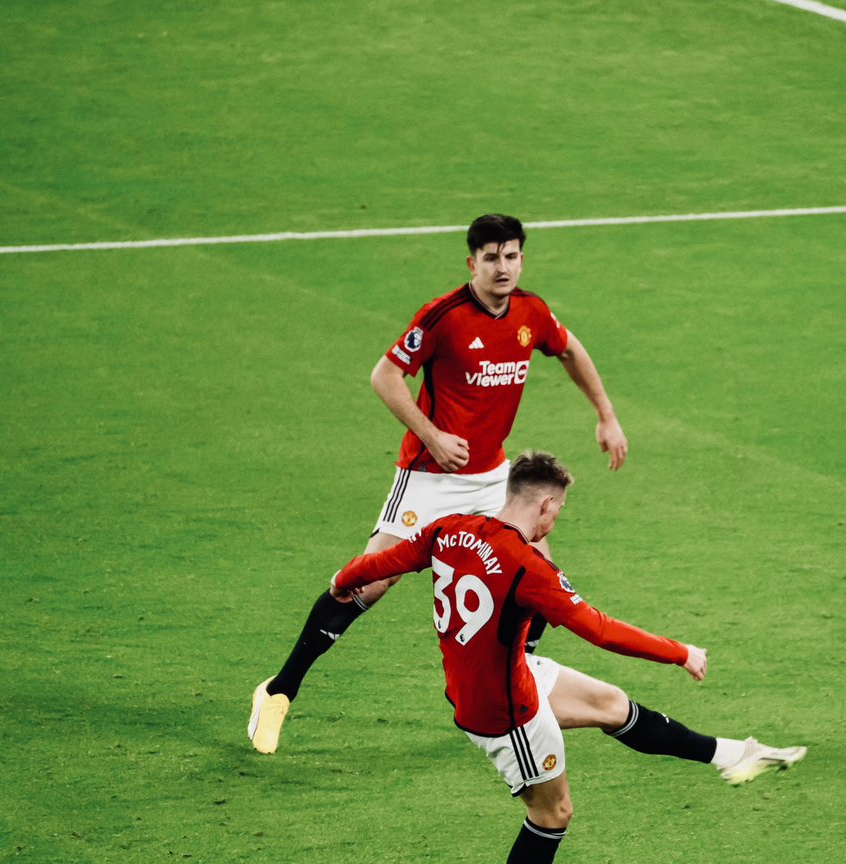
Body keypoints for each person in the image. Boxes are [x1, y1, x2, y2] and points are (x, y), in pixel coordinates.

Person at [328, 451, 804, 864]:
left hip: (502, 675)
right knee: (553, 812)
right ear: (546, 504)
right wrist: (680, 652)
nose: (557, 521)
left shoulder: (449, 528)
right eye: (559, 512)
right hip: (504, 711)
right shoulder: (526, 566)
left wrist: (341, 581)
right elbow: (599, 629)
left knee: (610, 704)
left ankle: (735, 755)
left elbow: (384, 562)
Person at [250, 212, 630, 754]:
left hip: (494, 479)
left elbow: (569, 348)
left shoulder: (531, 312)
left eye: (513, 255)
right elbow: (385, 375)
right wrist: (431, 436)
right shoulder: (445, 317)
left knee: (541, 582)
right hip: (431, 477)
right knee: (368, 583)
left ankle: (518, 692)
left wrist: (606, 414)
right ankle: (279, 690)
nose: (504, 267)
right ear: (472, 262)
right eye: (493, 257)